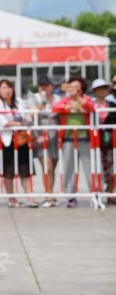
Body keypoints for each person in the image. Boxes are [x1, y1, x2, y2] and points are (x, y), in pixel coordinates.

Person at [0, 80, 37, 208]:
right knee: (8, 171)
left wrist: (28, 117)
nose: (7, 90)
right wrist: (21, 124)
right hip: (6, 141)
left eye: (9, 87)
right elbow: (2, 122)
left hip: (22, 139)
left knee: (25, 169)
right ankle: (11, 198)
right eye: (4, 88)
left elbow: (27, 115)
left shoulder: (18, 101)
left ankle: (30, 197)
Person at [53, 76, 95, 208]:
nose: (72, 89)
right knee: (69, 168)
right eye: (70, 86)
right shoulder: (64, 100)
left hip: (85, 137)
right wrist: (69, 106)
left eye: (76, 86)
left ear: (81, 89)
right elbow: (56, 108)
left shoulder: (86, 99)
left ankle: (94, 194)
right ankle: (70, 196)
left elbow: (90, 107)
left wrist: (77, 100)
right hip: (68, 138)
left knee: (89, 167)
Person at [32, 75, 61, 208]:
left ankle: (50, 193)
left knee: (52, 168)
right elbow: (28, 116)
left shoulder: (58, 99)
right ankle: (48, 195)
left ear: (51, 86)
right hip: (41, 137)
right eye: (41, 85)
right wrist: (36, 109)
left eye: (46, 85)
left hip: (55, 138)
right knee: (47, 167)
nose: (44, 87)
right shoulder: (34, 98)